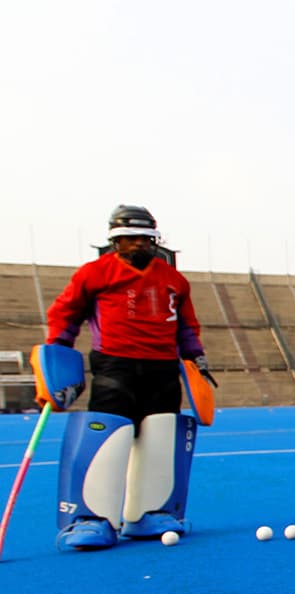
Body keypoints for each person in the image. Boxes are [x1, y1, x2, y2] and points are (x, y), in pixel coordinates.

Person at [43, 204, 211, 549]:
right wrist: (58, 349)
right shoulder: (94, 273)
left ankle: (150, 512)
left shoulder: (174, 280)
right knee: (106, 434)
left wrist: (195, 356)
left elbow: (186, 325)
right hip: (114, 364)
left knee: (160, 434)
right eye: (128, 238)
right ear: (114, 241)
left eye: (143, 238)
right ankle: (91, 517)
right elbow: (65, 312)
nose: (137, 244)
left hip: (163, 366)